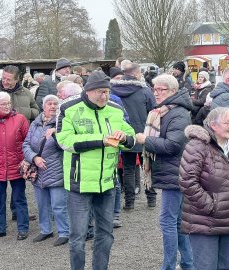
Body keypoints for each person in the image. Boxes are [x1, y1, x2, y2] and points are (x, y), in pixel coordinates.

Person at [56, 70, 135, 270]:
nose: (104, 96)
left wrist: (124, 138)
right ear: (88, 91)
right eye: (100, 92)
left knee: (106, 234)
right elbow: (64, 141)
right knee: (78, 237)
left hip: (107, 183)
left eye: (107, 92)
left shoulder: (115, 110)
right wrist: (101, 141)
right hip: (79, 183)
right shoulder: (69, 108)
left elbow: (131, 137)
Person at [179, 107, 229, 269]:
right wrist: (211, 205)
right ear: (213, 125)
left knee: (225, 267)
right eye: (227, 122)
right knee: (206, 266)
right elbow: (187, 181)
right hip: (205, 220)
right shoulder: (197, 146)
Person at [135, 74, 194, 270]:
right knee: (177, 222)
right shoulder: (164, 111)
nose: (157, 93)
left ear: (173, 92)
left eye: (162, 89)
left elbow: (172, 145)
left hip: (175, 173)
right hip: (174, 172)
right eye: (155, 89)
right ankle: (187, 263)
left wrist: (146, 140)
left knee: (168, 221)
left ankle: (169, 265)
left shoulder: (178, 113)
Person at [22, 95, 70, 246]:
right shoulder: (35, 124)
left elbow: (65, 145)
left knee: (58, 204)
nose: (53, 106)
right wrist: (34, 157)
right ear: (43, 106)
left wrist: (56, 133)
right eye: (50, 104)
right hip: (38, 171)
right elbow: (26, 145)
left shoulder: (61, 124)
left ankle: (64, 232)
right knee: (41, 204)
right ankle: (45, 230)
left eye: (56, 104)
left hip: (55, 169)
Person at [111, 62, 157, 210]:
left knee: (128, 168)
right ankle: (151, 198)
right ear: (137, 74)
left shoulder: (114, 90)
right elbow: (153, 111)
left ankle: (129, 202)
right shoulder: (145, 91)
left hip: (124, 135)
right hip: (145, 134)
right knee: (149, 167)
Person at [0, 92, 30, 240]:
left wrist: (25, 160)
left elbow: (28, 141)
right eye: (3, 104)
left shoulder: (20, 119)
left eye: (8, 103)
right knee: (0, 199)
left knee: (19, 198)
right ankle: (0, 228)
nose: (7, 106)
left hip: (17, 165)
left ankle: (23, 228)